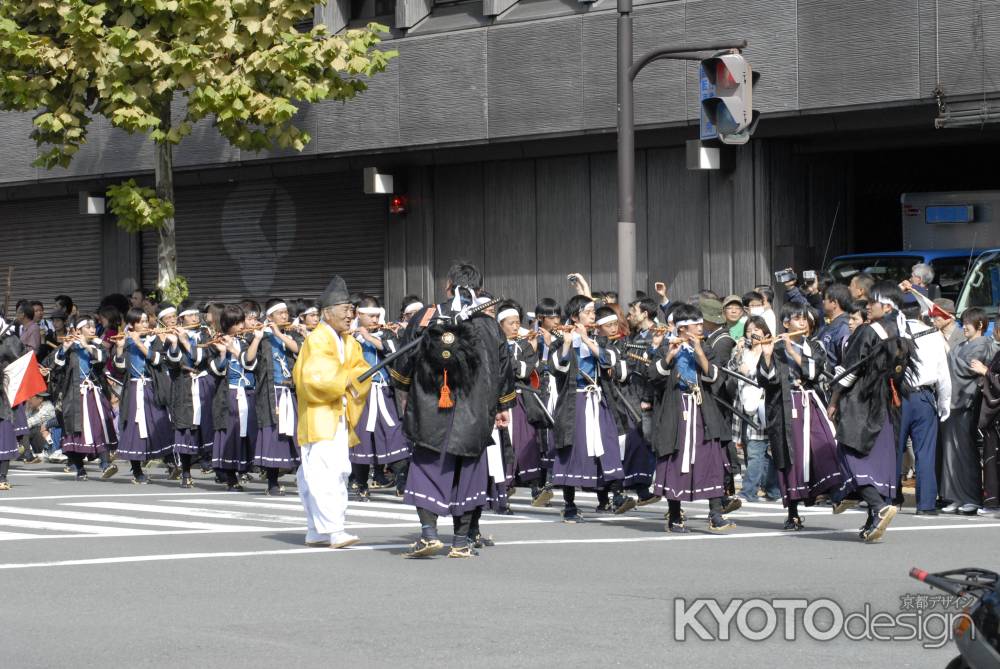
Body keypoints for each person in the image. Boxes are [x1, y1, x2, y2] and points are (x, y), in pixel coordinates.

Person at [393, 262, 514, 557]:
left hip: (431, 406)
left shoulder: (427, 316)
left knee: (428, 466)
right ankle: (460, 542)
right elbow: (504, 369)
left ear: (448, 286)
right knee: (469, 471)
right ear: (479, 290)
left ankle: (429, 534)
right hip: (475, 410)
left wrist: (403, 390)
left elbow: (404, 358)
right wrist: (502, 404)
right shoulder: (488, 326)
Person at [828, 281, 913, 542]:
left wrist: (834, 399)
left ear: (886, 306)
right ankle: (871, 521)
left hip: (861, 403)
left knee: (850, 453)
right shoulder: (902, 334)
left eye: (873, 303)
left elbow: (851, 370)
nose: (869, 307)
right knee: (875, 460)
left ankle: (877, 507)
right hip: (886, 403)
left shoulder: (868, 332)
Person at [293, 276, 372, 550]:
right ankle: (335, 529)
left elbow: (361, 370)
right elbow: (315, 376)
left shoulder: (349, 342)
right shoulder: (318, 339)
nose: (350, 316)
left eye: (352, 311)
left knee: (324, 471)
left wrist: (351, 379)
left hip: (338, 412)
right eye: (345, 310)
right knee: (325, 471)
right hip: (320, 413)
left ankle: (316, 529)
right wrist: (345, 380)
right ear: (327, 312)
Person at [647, 303, 734, 533]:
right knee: (674, 459)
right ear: (683, 328)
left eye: (700, 323)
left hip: (702, 408)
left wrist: (699, 351)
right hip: (674, 411)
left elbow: (715, 377)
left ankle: (715, 514)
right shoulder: (667, 346)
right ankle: (674, 515)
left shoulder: (705, 347)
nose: (700, 327)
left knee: (710, 458)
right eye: (696, 324)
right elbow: (653, 376)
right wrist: (669, 355)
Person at [758, 304, 842, 530]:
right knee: (790, 455)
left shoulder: (814, 344)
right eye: (796, 319)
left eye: (805, 318)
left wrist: (792, 349)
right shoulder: (775, 349)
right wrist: (766, 356)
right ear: (785, 324)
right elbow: (766, 380)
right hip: (785, 407)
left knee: (826, 445)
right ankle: (793, 512)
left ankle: (837, 493)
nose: (802, 323)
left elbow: (813, 371)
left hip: (810, 402)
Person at [548, 295, 625, 522]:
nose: (593, 315)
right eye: (589, 311)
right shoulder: (560, 339)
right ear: (575, 316)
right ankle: (569, 503)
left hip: (597, 401)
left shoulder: (600, 339)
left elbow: (610, 361)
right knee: (571, 449)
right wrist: (568, 342)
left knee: (607, 445)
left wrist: (587, 340)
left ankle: (615, 494)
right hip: (574, 402)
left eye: (593, 311)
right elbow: (555, 367)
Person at [895, 297, 951, 515]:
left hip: (898, 396)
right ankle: (925, 505)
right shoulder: (934, 335)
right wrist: (944, 403)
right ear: (920, 314)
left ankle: (890, 499)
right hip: (924, 397)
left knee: (894, 450)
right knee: (925, 452)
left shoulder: (895, 333)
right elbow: (943, 376)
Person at [350, 295, 409, 499]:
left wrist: (369, 337)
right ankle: (361, 484)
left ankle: (402, 483)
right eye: (371, 316)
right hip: (360, 396)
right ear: (359, 315)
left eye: (377, 316)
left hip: (384, 393)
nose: (375, 320)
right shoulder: (348, 336)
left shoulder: (385, 334)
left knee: (395, 435)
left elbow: (395, 352)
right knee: (362, 440)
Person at [939, 308, 996, 515]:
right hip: (953, 403)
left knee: (965, 452)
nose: (964, 327)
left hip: (966, 403)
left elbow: (965, 369)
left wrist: (946, 353)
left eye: (967, 324)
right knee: (950, 452)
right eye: (962, 323)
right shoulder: (963, 345)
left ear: (980, 325)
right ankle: (954, 495)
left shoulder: (983, 345)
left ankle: (970, 496)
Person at [52, 315, 119, 480]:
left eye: (93, 326)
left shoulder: (96, 345)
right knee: (73, 434)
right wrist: (64, 348)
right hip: (73, 396)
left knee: (99, 428)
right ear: (78, 330)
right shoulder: (69, 346)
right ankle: (80, 469)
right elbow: (55, 368)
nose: (92, 329)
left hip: (94, 393)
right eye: (88, 326)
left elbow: (103, 359)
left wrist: (85, 345)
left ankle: (105, 465)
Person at [114, 308, 173, 484]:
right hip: (133, 388)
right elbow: (120, 368)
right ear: (132, 325)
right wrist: (119, 348)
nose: (145, 324)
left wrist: (139, 343)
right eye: (141, 322)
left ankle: (171, 462)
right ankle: (137, 470)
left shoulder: (153, 339)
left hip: (151, 387)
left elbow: (158, 360)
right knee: (134, 428)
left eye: (146, 321)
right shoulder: (126, 341)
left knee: (160, 423)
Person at [249, 298, 302, 496]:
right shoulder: (261, 337)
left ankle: (301, 479)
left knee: (295, 436)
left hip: (290, 391)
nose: (285, 316)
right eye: (280, 313)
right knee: (273, 438)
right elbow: (248, 359)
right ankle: (272, 482)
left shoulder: (289, 335)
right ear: (269, 317)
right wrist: (256, 337)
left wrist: (279, 333)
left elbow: (298, 350)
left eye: (286, 312)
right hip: (271, 394)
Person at [208, 305, 260, 491]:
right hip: (228, 394)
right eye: (235, 323)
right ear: (227, 324)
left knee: (244, 433)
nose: (240, 326)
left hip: (247, 392)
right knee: (230, 433)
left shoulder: (247, 341)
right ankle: (230, 477)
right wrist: (223, 352)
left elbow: (252, 365)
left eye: (240, 322)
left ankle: (243, 469)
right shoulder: (217, 341)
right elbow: (216, 370)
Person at [164, 302, 214, 488]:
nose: (195, 318)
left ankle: (214, 467)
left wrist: (186, 341)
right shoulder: (172, 336)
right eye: (190, 315)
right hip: (183, 386)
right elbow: (172, 362)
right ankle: (185, 472)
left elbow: (204, 357)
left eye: (196, 315)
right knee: (185, 428)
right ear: (182, 318)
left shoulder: (204, 333)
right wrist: (175, 342)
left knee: (207, 426)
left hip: (202, 384)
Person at [732, 317, 780, 504]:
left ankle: (748, 491)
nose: (752, 332)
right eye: (749, 329)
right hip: (744, 405)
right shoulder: (742, 351)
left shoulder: (770, 351)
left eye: (757, 329)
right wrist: (737, 354)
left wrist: (748, 370)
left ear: (766, 333)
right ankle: (773, 489)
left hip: (762, 404)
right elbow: (731, 369)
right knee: (761, 450)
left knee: (755, 450)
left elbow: (769, 375)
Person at [0, 320, 26, 490]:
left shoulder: (8, 341)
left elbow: (19, 360)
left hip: (3, 392)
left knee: (3, 435)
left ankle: (2, 476)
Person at [817, 283, 852, 368]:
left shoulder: (845, 327)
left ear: (834, 303)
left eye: (825, 299)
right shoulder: (830, 322)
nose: (823, 302)